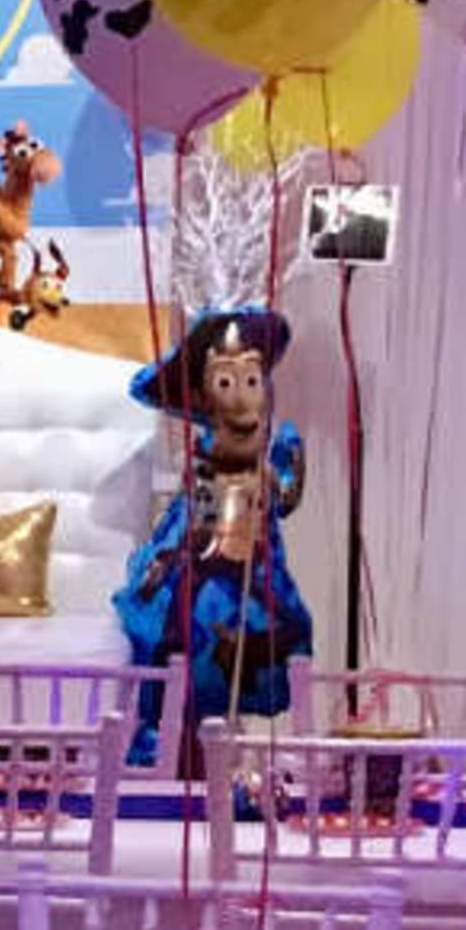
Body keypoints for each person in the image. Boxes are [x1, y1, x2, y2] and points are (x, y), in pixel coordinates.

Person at [116, 305, 311, 766]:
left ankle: (224, 754)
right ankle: (178, 744)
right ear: (205, 396)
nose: (241, 400)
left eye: (251, 381)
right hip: (203, 568)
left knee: (276, 634)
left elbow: (283, 501)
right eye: (226, 383)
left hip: (253, 574)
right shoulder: (205, 458)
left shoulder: (270, 452)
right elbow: (197, 519)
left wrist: (283, 474)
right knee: (179, 632)